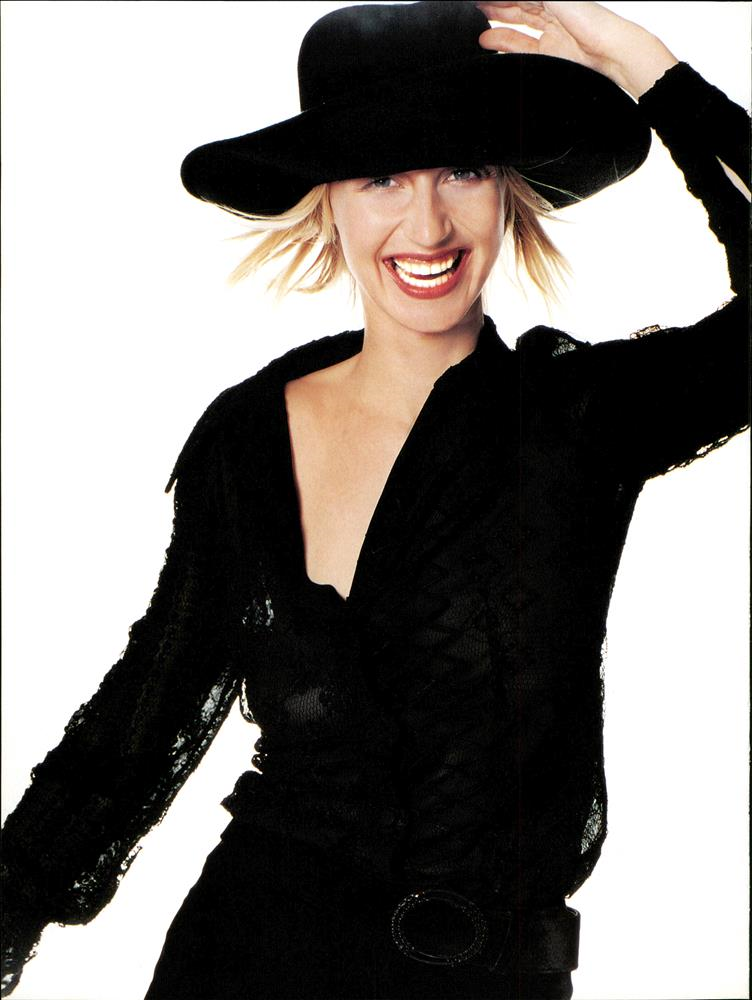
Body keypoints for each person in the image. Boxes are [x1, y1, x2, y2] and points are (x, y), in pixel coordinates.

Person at [1, 2, 749, 999]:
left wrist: (645, 67)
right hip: (242, 961)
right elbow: (134, 733)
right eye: (382, 177)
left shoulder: (576, 418)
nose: (427, 224)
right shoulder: (250, 439)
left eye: (463, 170)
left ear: (507, 191)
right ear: (331, 201)